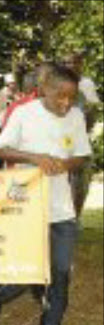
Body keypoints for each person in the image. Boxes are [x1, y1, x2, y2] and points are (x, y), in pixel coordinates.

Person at [0, 64, 92, 325]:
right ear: (45, 88)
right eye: (60, 95)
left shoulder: (75, 116)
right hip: (27, 205)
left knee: (60, 270)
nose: (66, 102)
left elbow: (82, 155)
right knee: (31, 268)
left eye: (71, 97)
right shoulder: (25, 113)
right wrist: (34, 158)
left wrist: (65, 163)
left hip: (62, 208)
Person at [62, 51, 102, 220]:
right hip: (60, 139)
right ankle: (63, 217)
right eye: (68, 62)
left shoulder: (86, 84)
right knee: (62, 180)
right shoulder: (58, 83)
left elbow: (93, 110)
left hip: (80, 139)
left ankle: (75, 217)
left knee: (81, 181)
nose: (72, 66)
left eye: (75, 62)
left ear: (81, 64)